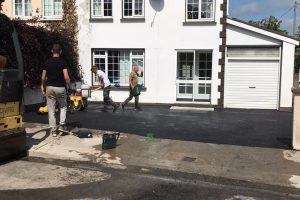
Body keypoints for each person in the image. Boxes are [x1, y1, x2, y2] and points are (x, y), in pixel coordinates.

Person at [41, 44, 71, 137]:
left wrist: (43, 86)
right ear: (60, 51)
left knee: (51, 109)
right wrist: (69, 86)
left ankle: (53, 130)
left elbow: (43, 77)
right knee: (63, 106)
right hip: (60, 89)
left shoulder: (47, 62)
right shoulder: (63, 62)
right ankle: (62, 125)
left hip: (49, 88)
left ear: (51, 51)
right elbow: (66, 77)